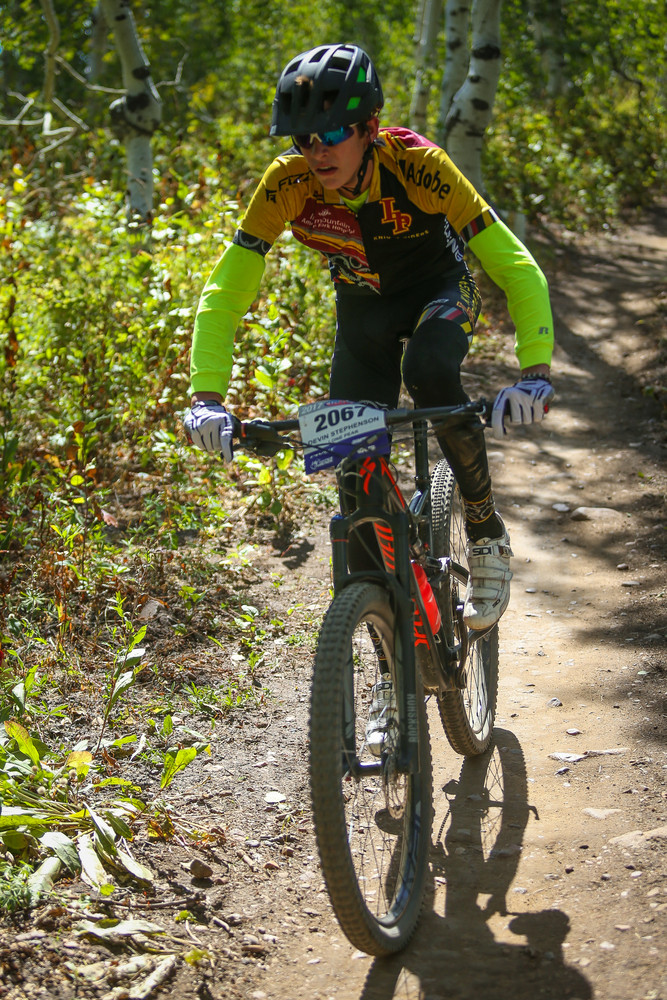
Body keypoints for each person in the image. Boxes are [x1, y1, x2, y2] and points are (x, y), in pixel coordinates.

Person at [184, 43, 555, 632]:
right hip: (363, 312)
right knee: (354, 481)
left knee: (428, 370)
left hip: (439, 290)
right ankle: (387, 652)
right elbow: (225, 291)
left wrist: (534, 373)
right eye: (304, 138)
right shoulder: (286, 184)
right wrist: (207, 398)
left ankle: (486, 531)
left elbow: (516, 267)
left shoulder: (420, 165)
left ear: (370, 127)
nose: (318, 151)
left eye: (333, 133)